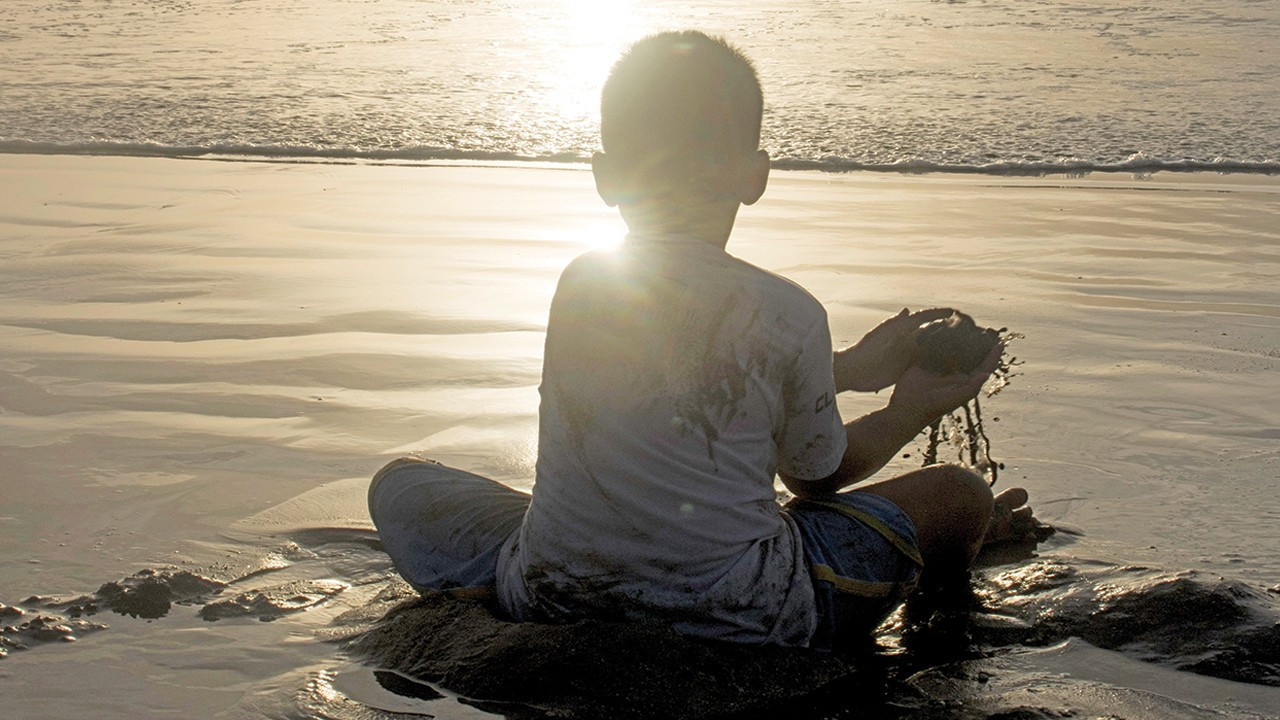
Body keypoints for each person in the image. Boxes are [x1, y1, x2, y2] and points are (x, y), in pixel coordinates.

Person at [368, 30, 1034, 650]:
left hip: (550, 591)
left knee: (399, 483)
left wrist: (853, 369)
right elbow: (815, 479)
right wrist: (906, 410)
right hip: (751, 612)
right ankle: (943, 615)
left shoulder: (585, 283)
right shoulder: (789, 312)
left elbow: (689, 375)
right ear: (755, 177)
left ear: (607, 177)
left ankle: (559, 559)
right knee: (960, 495)